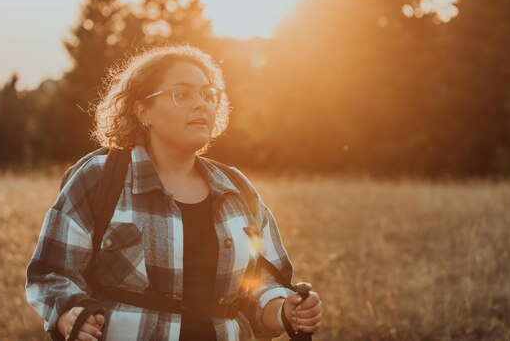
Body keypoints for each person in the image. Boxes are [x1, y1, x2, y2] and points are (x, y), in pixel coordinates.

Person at [26, 45, 323, 341]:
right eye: (183, 94)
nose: (201, 104)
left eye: (208, 95)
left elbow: (263, 284)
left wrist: (287, 310)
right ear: (143, 111)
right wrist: (69, 314)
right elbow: (52, 273)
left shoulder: (237, 189)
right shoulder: (99, 178)